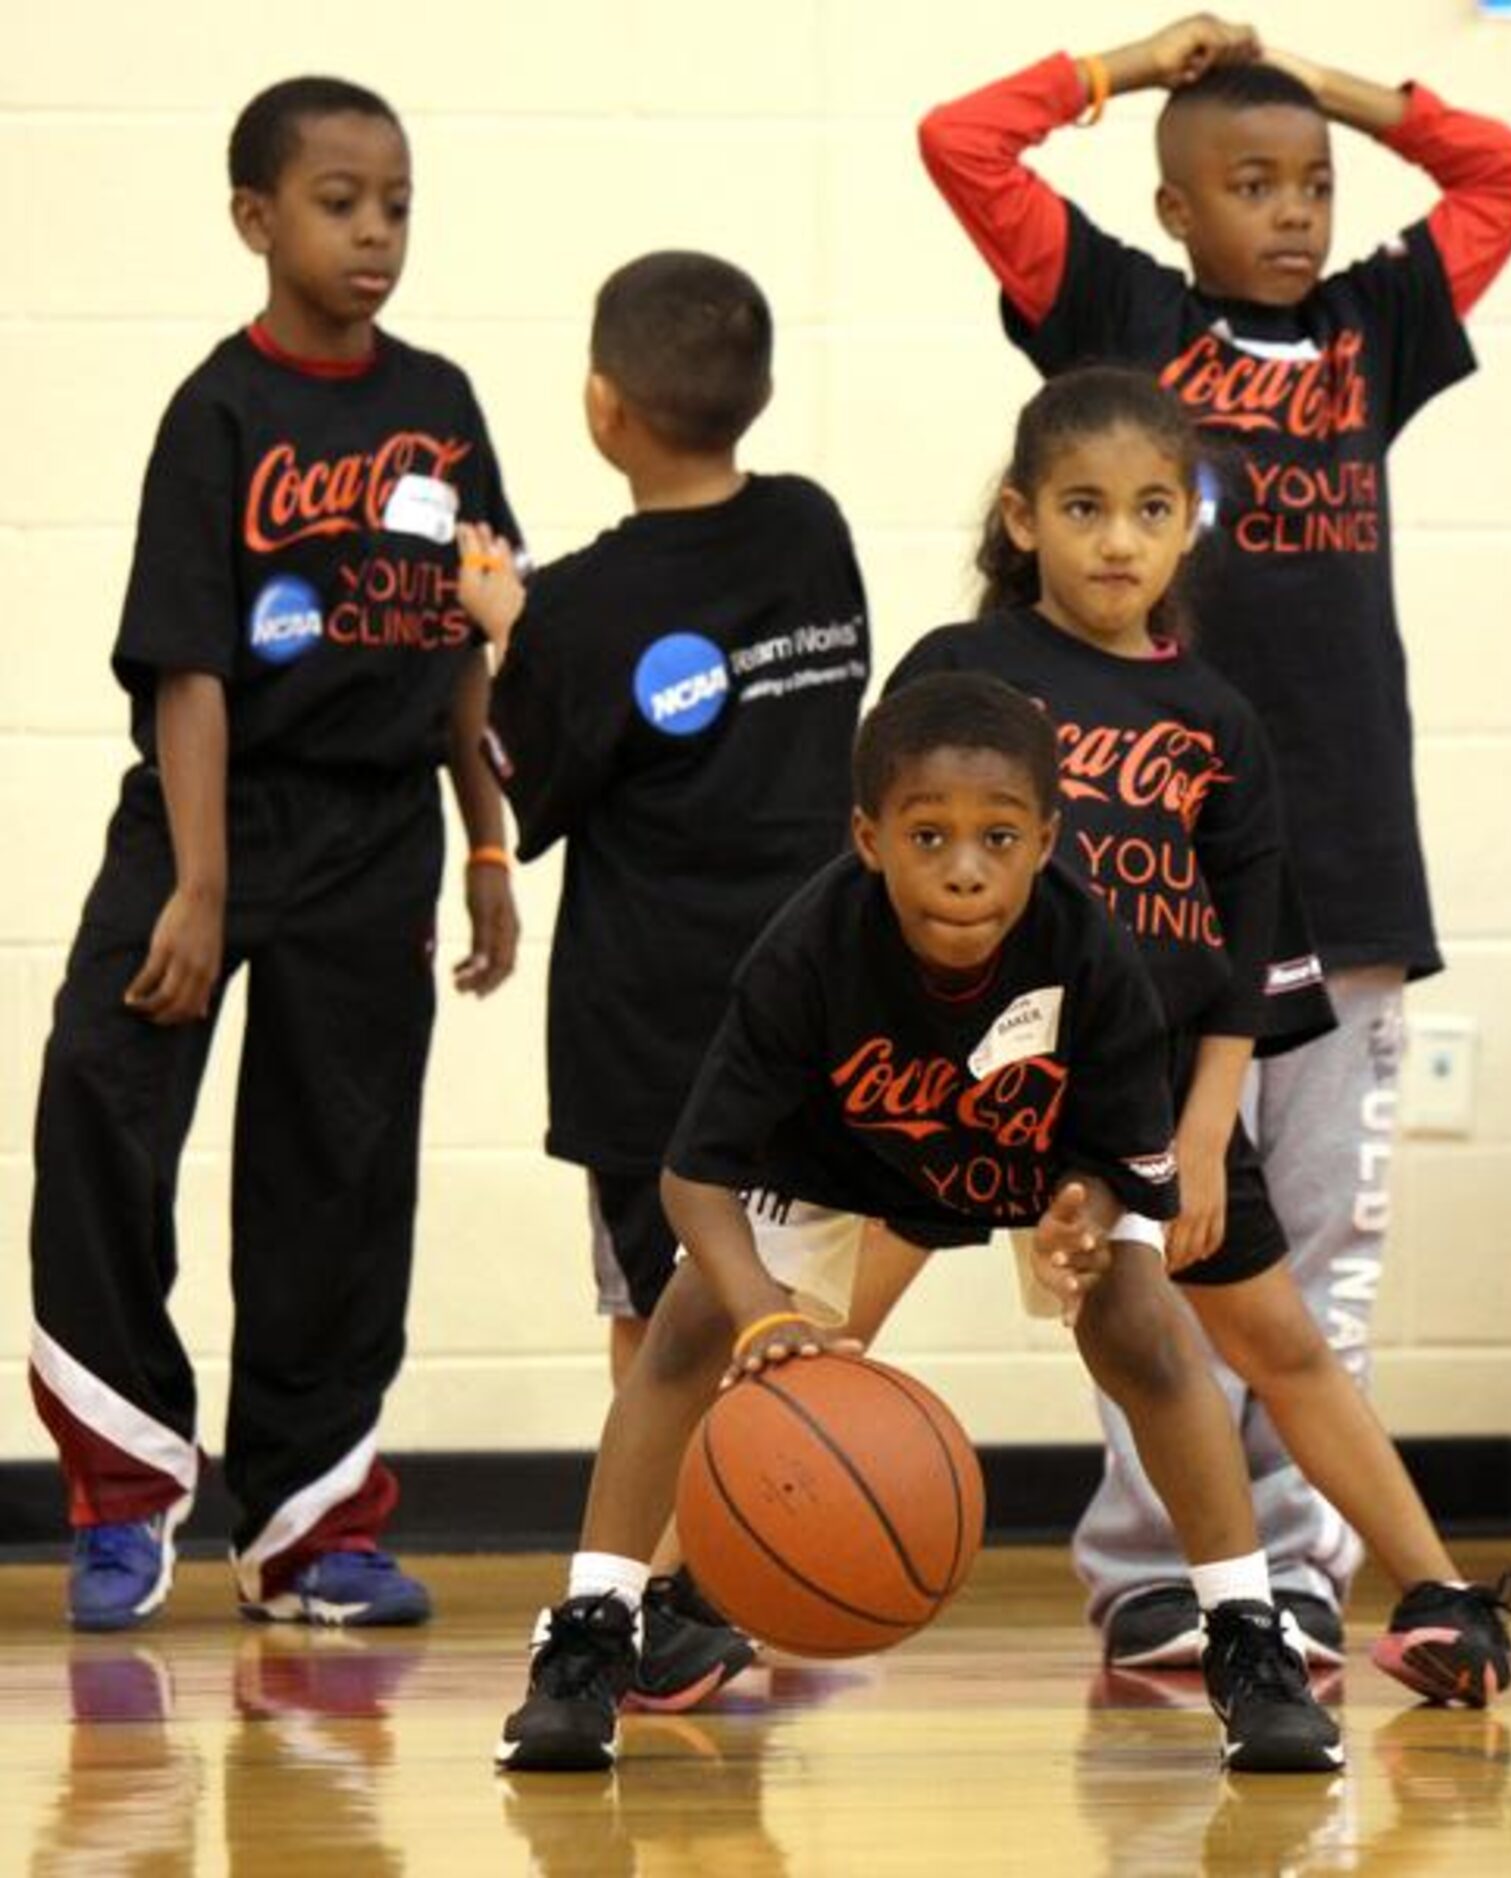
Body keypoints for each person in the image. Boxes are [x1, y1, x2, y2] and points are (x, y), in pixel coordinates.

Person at [917, 13, 1511, 1661]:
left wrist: (1314, 84)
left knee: (1316, 1255)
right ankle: (1155, 1573)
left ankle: (1286, 1573)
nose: (1290, 209)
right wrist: (1136, 69)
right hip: (1146, 880)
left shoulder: (1370, 330)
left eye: (1312, 182)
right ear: (1173, 209)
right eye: (1248, 182)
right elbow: (960, 145)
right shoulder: (1124, 315)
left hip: (1337, 865)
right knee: (1149, 1237)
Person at [490, 672, 1344, 1779]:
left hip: (1039, 1160)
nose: (963, 866)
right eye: (928, 834)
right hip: (843, 1160)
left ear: (1044, 841)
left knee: (1144, 1328)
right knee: (690, 1326)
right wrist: (761, 1319)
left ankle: (1246, 1635)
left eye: (997, 836)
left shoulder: (1096, 963)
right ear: (868, 836)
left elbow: (1120, 1164)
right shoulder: (804, 953)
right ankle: (593, 1634)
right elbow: (694, 1182)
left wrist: (1082, 1216)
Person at [28, 77, 521, 1634]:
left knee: (339, 1169)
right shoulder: (218, 410)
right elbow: (187, 665)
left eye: (396, 202)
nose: (373, 231)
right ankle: (119, 1494)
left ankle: (311, 1530)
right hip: (210, 811)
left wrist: (487, 841)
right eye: (337, 201)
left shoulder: (438, 401)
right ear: (255, 218)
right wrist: (196, 883)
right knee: (100, 1107)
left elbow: (470, 636)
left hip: (373, 831)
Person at [455, 250, 869, 1710]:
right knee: (764, 1293)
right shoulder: (815, 533)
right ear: (754, 395)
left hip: (652, 1034)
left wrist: (507, 630)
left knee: (659, 1322)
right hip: (815, 1006)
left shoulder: (575, 609)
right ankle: (709, 1580)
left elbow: (528, 783)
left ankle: (669, 1599)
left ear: (601, 406)